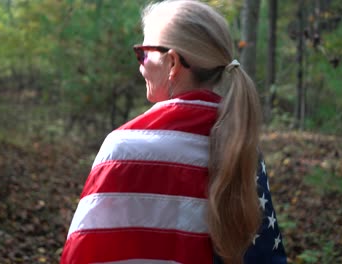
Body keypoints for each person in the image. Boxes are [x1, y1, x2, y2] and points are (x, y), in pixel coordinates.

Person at [60, 0, 287, 263]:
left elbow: (84, 255)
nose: (140, 66)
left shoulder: (122, 150)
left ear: (172, 63)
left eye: (143, 54)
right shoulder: (241, 145)